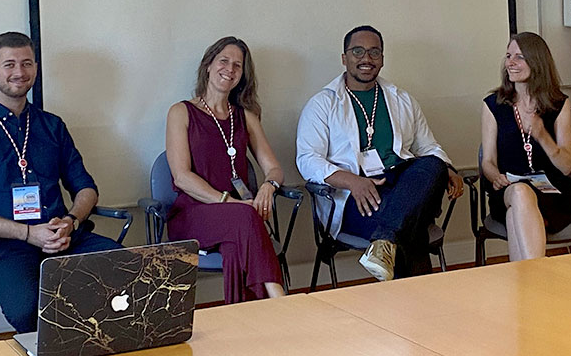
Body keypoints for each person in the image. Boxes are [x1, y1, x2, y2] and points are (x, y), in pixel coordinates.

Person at [0, 32, 119, 333]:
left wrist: (72, 222)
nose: (19, 72)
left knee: (123, 270)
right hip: (4, 249)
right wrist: (27, 233)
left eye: (27, 63)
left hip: (63, 239)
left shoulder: (51, 125)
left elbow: (86, 188)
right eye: (9, 64)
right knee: (29, 309)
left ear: (36, 68)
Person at [296, 25, 463, 282]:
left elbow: (428, 147)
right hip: (355, 197)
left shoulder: (402, 99)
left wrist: (447, 168)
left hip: (404, 187)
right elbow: (307, 159)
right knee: (411, 228)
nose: (366, 59)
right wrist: (353, 181)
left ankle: (385, 239)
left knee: (433, 164)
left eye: (374, 53)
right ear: (344, 58)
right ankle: (419, 307)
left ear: (382, 59)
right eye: (358, 52)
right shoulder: (322, 103)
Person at [165, 37, 286, 303]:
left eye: (237, 65)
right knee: (245, 216)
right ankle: (281, 302)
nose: (229, 69)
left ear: (242, 76)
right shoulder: (181, 112)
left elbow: (274, 168)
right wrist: (228, 202)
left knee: (234, 247)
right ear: (208, 65)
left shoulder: (246, 117)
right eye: (223, 61)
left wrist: (268, 186)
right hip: (193, 213)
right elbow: (181, 177)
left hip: (240, 217)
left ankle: (243, 321)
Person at [481, 32, 571, 261]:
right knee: (521, 193)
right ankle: (537, 275)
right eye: (508, 56)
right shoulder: (493, 105)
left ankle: (526, 286)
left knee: (518, 216)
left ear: (537, 62)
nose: (510, 63)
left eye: (519, 57)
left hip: (551, 193)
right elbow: (488, 161)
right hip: (508, 190)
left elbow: (566, 167)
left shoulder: (559, 104)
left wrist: (543, 135)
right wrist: (495, 176)